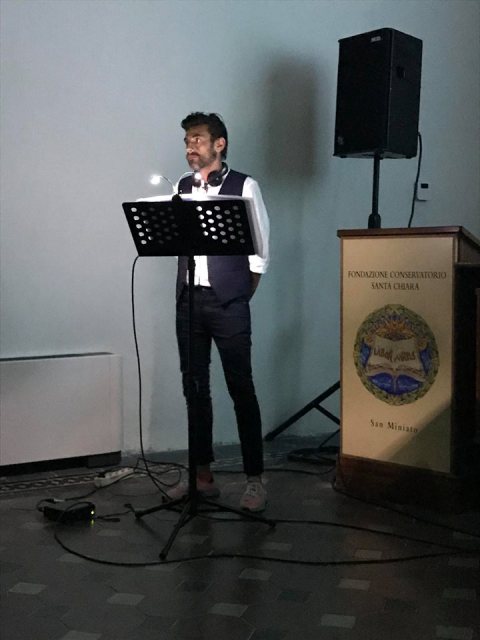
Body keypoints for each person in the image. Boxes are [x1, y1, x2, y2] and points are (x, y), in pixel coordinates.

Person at [173, 112, 270, 512]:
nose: (190, 146)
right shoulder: (181, 186)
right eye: (187, 140)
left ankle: (255, 480)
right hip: (188, 301)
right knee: (194, 389)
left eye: (197, 139)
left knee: (240, 388)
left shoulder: (244, 185)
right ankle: (202, 477)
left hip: (228, 302)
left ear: (219, 144)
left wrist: (239, 293)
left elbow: (260, 249)